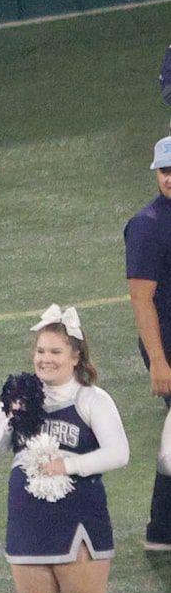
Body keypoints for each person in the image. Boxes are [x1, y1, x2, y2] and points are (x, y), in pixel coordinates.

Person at [0, 308, 128, 593]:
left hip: (79, 520)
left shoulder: (92, 399)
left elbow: (119, 453)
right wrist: (12, 416)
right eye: (41, 351)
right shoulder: (21, 397)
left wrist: (70, 464)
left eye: (55, 352)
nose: (45, 359)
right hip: (29, 520)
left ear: (75, 356)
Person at [123, 136, 171, 551]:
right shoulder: (148, 225)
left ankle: (162, 529)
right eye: (164, 171)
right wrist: (158, 360)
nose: (169, 178)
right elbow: (141, 297)